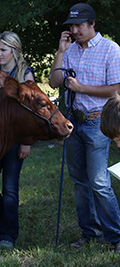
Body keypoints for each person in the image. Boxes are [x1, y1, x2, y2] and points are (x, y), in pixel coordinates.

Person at [49, 3, 120, 252]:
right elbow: (54, 80)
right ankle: (90, 232)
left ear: (92, 24)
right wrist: (60, 51)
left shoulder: (111, 50)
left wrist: (81, 89)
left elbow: (116, 89)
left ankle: (116, 236)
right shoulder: (69, 50)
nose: (74, 29)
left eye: (79, 25)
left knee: (99, 182)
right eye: (72, 25)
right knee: (79, 181)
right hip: (72, 122)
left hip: (97, 122)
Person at [0, 31, 34, 249]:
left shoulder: (25, 74)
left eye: (3, 50)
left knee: (10, 188)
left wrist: (26, 141)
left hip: (14, 139)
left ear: (14, 50)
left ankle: (8, 234)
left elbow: (31, 113)